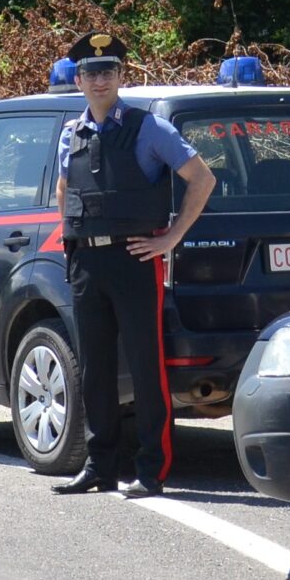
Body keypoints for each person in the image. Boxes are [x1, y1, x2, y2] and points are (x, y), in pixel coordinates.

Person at [50, 32, 217, 498]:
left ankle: (151, 470)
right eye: (90, 72)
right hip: (86, 262)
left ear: (121, 76)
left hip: (134, 258)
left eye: (108, 71)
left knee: (147, 369)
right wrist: (71, 236)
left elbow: (202, 180)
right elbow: (65, 192)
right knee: (94, 370)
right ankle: (99, 466)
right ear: (78, 79)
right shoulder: (71, 133)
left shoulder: (149, 129)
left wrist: (171, 237)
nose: (99, 80)